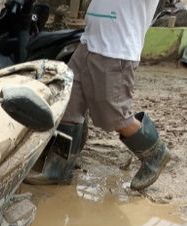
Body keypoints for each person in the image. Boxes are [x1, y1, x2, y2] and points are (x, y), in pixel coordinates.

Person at [26, 0, 171, 189]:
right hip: (89, 43)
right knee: (67, 104)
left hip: (116, 50)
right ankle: (59, 169)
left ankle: (155, 154)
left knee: (114, 116)